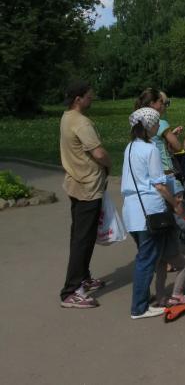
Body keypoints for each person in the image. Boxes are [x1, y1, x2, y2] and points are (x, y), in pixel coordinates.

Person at [121, 107, 179, 319]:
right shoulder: (151, 149)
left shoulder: (129, 148)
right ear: (148, 126)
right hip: (149, 211)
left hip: (132, 211)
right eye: (155, 123)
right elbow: (159, 184)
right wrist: (176, 204)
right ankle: (139, 307)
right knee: (146, 260)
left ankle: (143, 299)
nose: (157, 126)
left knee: (144, 258)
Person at [59, 82, 112, 309]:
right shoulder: (81, 123)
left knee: (83, 236)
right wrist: (109, 164)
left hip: (76, 184)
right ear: (78, 99)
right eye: (89, 96)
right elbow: (99, 152)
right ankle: (70, 291)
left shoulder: (66, 117)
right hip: (88, 188)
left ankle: (83, 278)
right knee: (82, 239)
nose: (92, 99)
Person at [154, 179, 185, 307]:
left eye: (182, 196)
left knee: (161, 272)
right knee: (183, 266)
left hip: (159, 248)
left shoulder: (159, 211)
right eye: (178, 196)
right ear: (169, 198)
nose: (181, 199)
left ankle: (160, 296)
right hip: (171, 248)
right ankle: (177, 294)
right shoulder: (173, 214)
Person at [134, 89, 183, 175]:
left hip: (146, 168)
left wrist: (170, 135)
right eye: (164, 103)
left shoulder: (138, 122)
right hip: (164, 168)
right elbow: (178, 147)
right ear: (154, 104)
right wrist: (173, 137)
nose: (166, 107)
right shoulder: (162, 123)